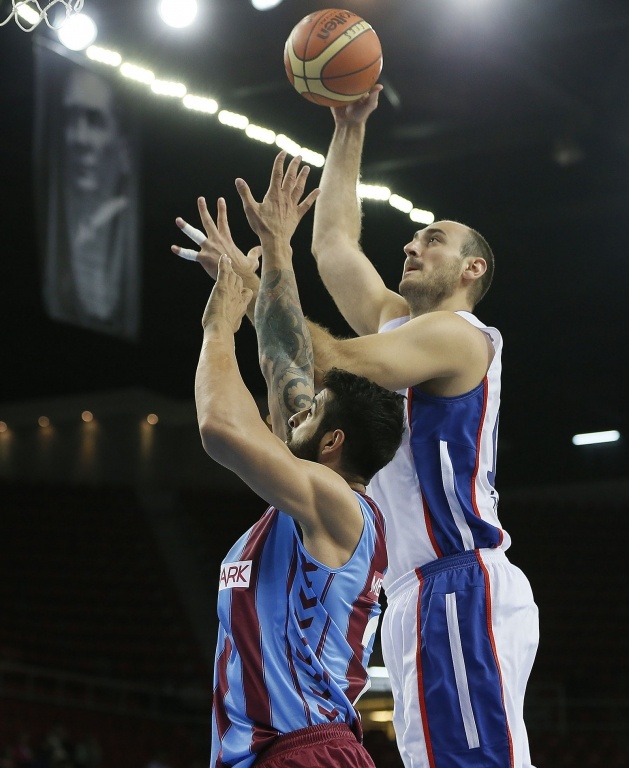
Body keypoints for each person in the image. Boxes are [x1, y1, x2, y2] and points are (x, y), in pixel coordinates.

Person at [304, 86, 540, 768]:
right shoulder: (404, 325)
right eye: (411, 237)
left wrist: (257, 285)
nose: (411, 244)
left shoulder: (460, 337)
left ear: (472, 269)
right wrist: (349, 128)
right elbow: (333, 245)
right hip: (411, 592)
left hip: (457, 581)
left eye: (430, 240)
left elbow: (343, 359)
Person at [183, 152, 405, 767]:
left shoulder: (339, 506)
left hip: (305, 751)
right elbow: (286, 358)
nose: (293, 410)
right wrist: (275, 247)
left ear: (332, 443)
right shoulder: (310, 499)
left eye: (310, 415)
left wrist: (219, 324)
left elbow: (222, 427)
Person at [39, 61, 139, 339]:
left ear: (123, 146)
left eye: (94, 121)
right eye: (71, 119)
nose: (79, 138)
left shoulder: (124, 229)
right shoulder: (56, 227)